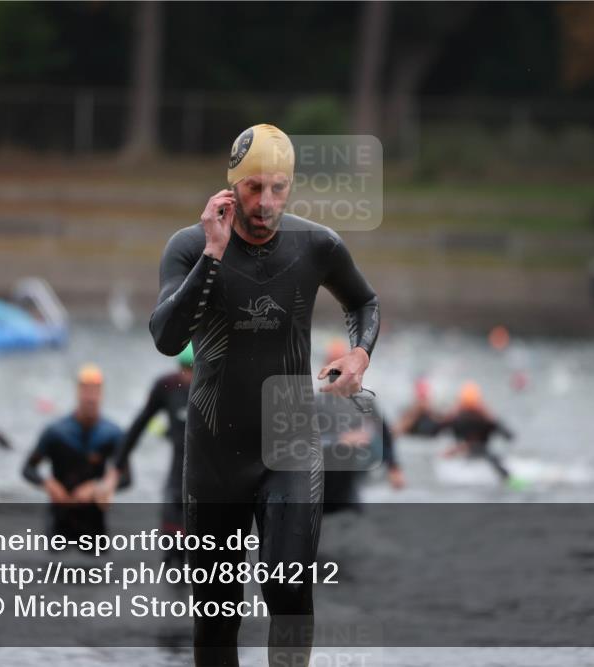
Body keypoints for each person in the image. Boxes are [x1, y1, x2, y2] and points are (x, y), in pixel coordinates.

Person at [149, 124, 380, 666]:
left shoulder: (317, 244)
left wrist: (359, 354)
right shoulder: (189, 246)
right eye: (254, 188)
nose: (266, 202)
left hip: (289, 441)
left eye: (278, 188)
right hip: (214, 455)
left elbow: (364, 302)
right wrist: (213, 253)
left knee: (288, 591)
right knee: (216, 615)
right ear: (232, 185)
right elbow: (166, 338)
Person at [109, 342, 193, 567]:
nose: (188, 376)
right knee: (172, 551)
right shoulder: (167, 386)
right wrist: (116, 466)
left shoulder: (215, 387)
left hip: (208, 481)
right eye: (184, 369)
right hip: (177, 477)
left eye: (193, 369)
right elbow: (139, 425)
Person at [22, 364, 127, 544]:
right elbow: (27, 469)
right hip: (59, 519)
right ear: (78, 392)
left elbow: (126, 478)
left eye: (95, 391)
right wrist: (48, 483)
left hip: (94, 523)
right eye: (86, 391)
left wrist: (98, 487)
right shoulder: (56, 432)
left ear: (102, 394)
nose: (91, 397)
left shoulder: (112, 434)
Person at [319, 339, 403, 513]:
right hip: (323, 481)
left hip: (352, 481)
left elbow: (385, 432)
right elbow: (303, 442)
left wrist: (393, 467)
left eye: (340, 365)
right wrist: (339, 439)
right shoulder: (316, 402)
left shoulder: (365, 401)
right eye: (333, 365)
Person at [441, 381, 515, 483]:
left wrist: (491, 418)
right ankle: (508, 479)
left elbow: (508, 435)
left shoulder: (484, 418)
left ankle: (509, 479)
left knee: (492, 458)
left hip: (480, 451)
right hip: (465, 452)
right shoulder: (457, 418)